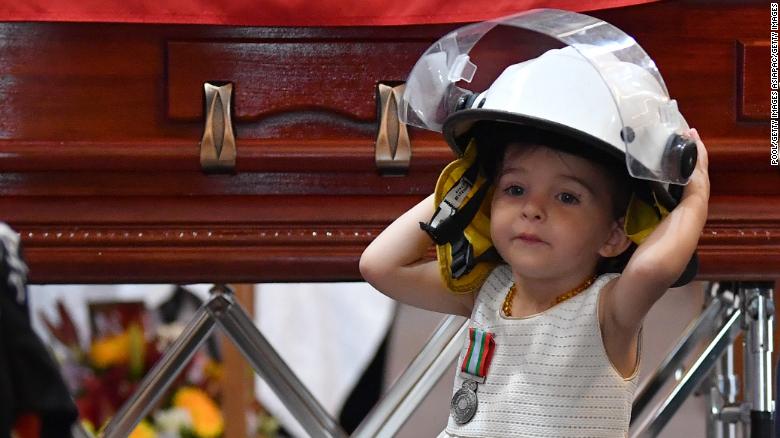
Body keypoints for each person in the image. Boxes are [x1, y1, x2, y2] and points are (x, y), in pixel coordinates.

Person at [360, 9, 710, 437]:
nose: (533, 209)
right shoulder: (488, 293)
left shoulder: (608, 311)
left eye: (567, 196)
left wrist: (696, 194)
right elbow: (379, 265)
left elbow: (655, 267)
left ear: (615, 233)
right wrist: (469, 184)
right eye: (514, 190)